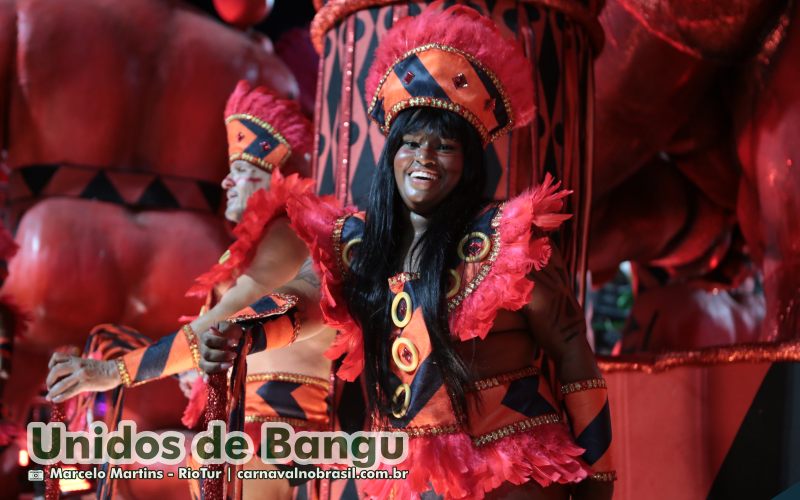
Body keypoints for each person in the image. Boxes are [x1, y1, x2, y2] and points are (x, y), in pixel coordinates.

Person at [200, 5, 615, 499]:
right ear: (390, 154)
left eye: (443, 147)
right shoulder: (359, 244)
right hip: (398, 474)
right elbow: (302, 297)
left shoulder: (509, 239)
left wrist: (599, 485)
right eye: (411, 143)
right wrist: (242, 330)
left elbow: (573, 354)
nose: (423, 159)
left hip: (505, 472)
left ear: (468, 162)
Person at [44, 81, 333, 500]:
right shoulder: (258, 245)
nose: (225, 182)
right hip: (245, 438)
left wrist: (112, 372)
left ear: (274, 181)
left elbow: (224, 322)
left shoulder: (288, 230)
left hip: (278, 442)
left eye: (239, 172)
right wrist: (193, 374)